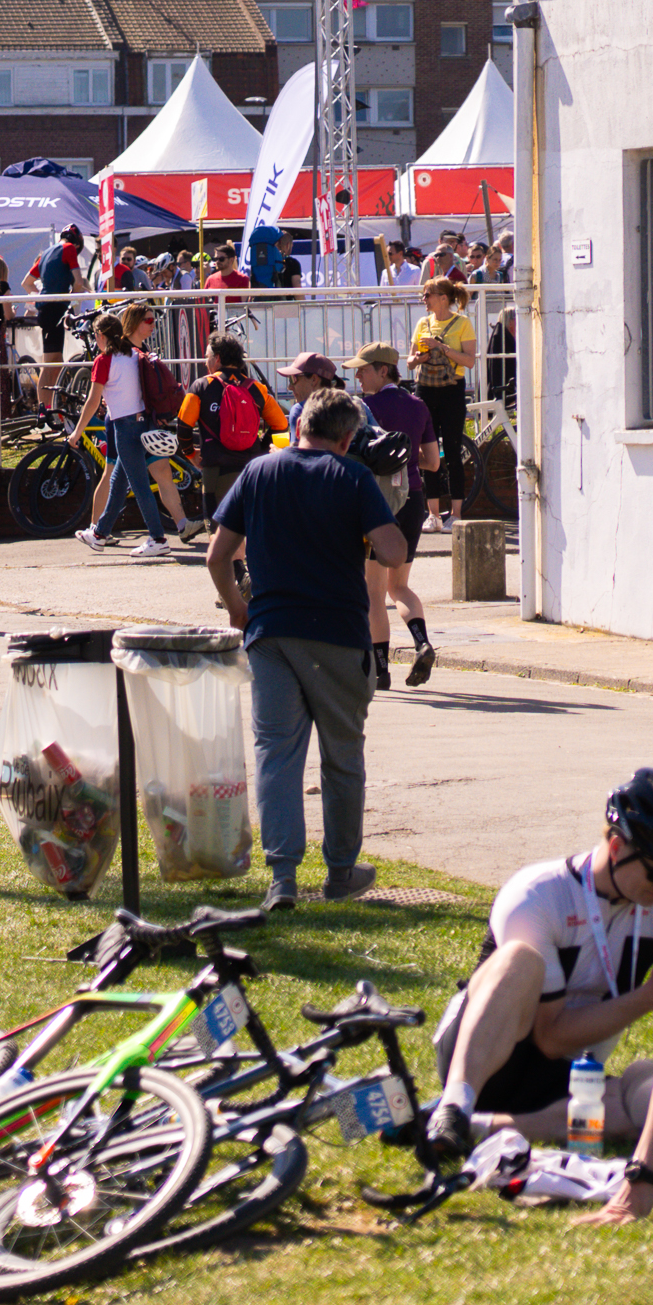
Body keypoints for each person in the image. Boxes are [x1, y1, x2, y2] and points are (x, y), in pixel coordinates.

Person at [414, 772, 653, 1182]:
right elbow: (550, 1036)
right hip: (488, 1057)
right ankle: (455, 1105)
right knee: (519, 960)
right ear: (616, 848)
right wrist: (650, 996)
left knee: (647, 1086)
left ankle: (475, 1128)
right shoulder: (538, 892)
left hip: (572, 1078)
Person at [205, 388, 411, 910]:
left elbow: (217, 556)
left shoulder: (258, 472)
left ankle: (282, 879)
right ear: (348, 439)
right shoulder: (353, 477)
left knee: (275, 754)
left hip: (270, 632)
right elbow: (393, 550)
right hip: (337, 635)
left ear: (300, 427)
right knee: (342, 758)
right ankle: (340, 872)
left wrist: (236, 607)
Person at [351, 342, 441, 691]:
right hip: (414, 500)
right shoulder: (418, 406)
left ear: (383, 370)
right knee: (398, 586)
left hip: (379, 503)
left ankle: (380, 669)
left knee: (373, 591)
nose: (357, 375)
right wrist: (403, 457)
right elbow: (433, 462)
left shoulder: (363, 408)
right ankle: (421, 642)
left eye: (363, 369)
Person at [177, 334, 286, 596]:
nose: (205, 362)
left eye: (207, 356)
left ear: (217, 359)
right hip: (251, 468)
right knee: (247, 525)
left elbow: (183, 427)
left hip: (216, 469)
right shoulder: (256, 388)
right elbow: (281, 424)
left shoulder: (201, 387)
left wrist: (191, 453)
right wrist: (260, 448)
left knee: (218, 530)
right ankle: (246, 581)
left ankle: (236, 581)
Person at [70, 311, 175, 560]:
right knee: (118, 483)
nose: (95, 339)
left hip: (124, 427)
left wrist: (77, 430)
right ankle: (100, 534)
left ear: (101, 336)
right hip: (142, 423)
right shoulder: (133, 355)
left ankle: (158, 539)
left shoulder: (104, 361)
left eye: (96, 335)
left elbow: (93, 401)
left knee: (139, 486)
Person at [412, 276, 479, 529]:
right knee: (428, 452)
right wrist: (421, 357)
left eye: (428, 295)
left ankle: (457, 514)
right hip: (426, 389)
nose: (424, 300)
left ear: (443, 298)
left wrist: (442, 348)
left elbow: (470, 361)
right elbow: (409, 362)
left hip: (451, 390)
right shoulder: (422, 323)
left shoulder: (462, 323)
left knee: (452, 451)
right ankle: (433, 514)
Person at [34, 227, 87, 412]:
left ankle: (50, 407)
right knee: (52, 362)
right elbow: (79, 282)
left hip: (48, 308)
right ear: (77, 243)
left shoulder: (46, 252)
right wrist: (73, 300)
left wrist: (39, 298)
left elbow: (26, 282)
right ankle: (45, 409)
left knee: (54, 361)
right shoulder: (69, 248)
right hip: (55, 308)